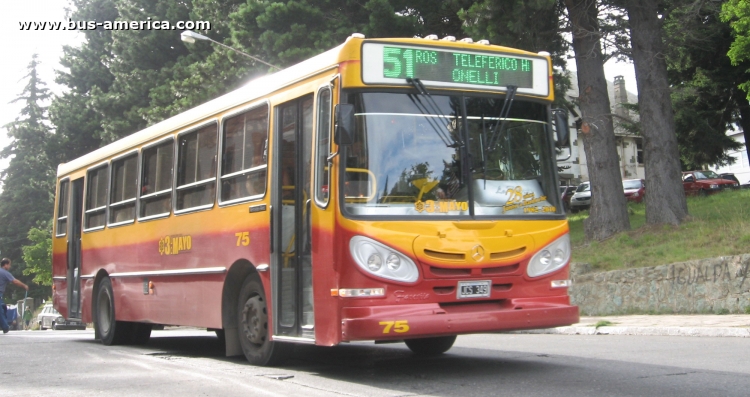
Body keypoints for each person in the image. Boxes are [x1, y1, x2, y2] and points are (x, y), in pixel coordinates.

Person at [0, 258, 29, 334]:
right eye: (9, 264)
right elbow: (15, 281)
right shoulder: (5, 273)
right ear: (5, 265)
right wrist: (24, 286)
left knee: (3, 307)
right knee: (1, 311)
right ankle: (5, 327)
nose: (10, 266)